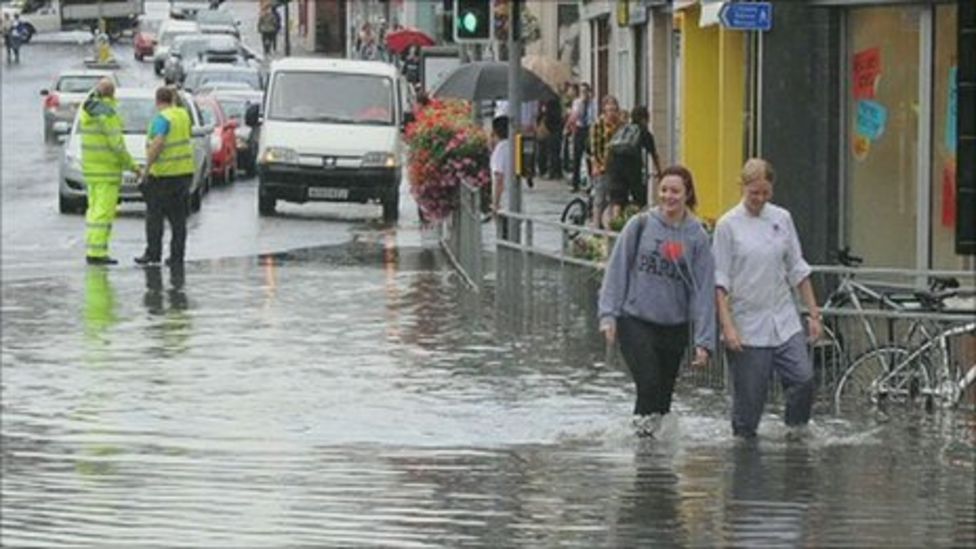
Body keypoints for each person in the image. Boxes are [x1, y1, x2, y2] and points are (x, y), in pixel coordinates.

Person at [598, 165, 716, 438]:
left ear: (687, 194)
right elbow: (617, 270)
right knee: (648, 383)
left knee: (663, 399)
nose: (668, 197)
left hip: (674, 326)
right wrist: (608, 316)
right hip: (636, 319)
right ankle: (642, 449)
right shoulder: (639, 225)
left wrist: (704, 341)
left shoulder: (697, 236)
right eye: (663, 190)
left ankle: (656, 466)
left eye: (675, 191)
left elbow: (704, 290)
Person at [712, 158, 822, 439]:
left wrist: (813, 313)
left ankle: (796, 432)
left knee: (803, 378)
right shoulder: (728, 226)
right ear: (743, 187)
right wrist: (727, 326)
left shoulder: (782, 218)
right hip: (747, 324)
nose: (760, 199)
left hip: (784, 317)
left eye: (765, 193)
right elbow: (719, 282)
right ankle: (745, 459)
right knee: (749, 406)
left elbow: (797, 267)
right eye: (754, 193)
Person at [79, 78, 140, 266]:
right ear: (112, 94)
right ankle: (97, 252)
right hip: (107, 171)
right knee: (103, 214)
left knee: (94, 211)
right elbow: (117, 145)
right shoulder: (107, 113)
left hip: (91, 171)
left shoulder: (87, 110)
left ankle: (93, 248)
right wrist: (133, 166)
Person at [135, 86, 194, 267]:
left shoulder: (162, 119)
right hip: (184, 174)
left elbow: (158, 143)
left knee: (155, 217)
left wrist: (146, 171)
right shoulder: (183, 116)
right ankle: (177, 256)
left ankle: (153, 254)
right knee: (178, 220)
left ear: (157, 101)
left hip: (163, 176)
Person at [606, 106, 663, 220]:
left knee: (618, 199)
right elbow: (654, 155)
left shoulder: (622, 129)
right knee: (639, 198)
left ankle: (615, 225)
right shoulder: (644, 132)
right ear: (644, 119)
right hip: (632, 167)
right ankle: (635, 223)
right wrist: (660, 172)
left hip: (614, 167)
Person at [587, 94, 623, 228]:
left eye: (614, 110)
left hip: (617, 167)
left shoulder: (620, 124)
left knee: (615, 197)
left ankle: (611, 225)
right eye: (609, 110)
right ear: (604, 111)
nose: (612, 113)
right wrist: (597, 164)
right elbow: (595, 147)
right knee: (600, 197)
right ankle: (596, 226)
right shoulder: (598, 125)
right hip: (602, 166)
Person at [568, 83, 593, 192]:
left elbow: (593, 117)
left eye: (586, 91)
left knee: (590, 157)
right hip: (579, 130)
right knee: (577, 157)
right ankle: (575, 183)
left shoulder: (593, 104)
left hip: (589, 129)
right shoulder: (577, 103)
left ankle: (591, 183)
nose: (584, 94)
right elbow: (575, 116)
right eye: (582, 92)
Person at [490, 115, 511, 224]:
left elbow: (499, 178)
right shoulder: (512, 146)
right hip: (514, 201)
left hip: (504, 203)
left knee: (503, 236)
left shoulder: (500, 150)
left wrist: (495, 204)